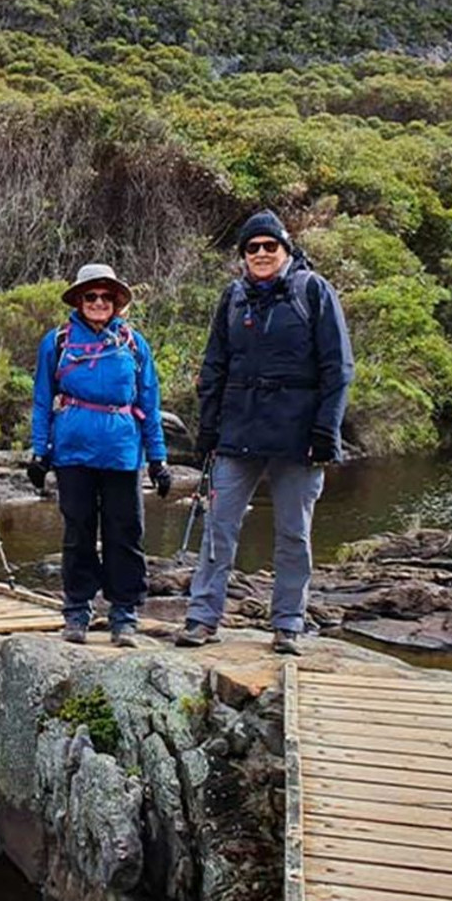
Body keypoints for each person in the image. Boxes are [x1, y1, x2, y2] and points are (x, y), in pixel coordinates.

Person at [179, 210, 353, 655]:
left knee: (294, 533)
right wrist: (207, 431)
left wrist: (325, 433)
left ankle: (288, 624)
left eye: (268, 246)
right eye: (251, 247)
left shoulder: (313, 292)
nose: (260, 253)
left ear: (285, 250)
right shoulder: (232, 298)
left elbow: (338, 369)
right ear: (242, 256)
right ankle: (202, 618)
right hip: (237, 431)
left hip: (297, 437)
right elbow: (214, 367)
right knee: (219, 527)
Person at [27, 263, 171, 648]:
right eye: (90, 296)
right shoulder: (56, 342)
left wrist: (158, 460)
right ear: (78, 299)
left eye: (106, 296)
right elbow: (42, 400)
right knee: (78, 532)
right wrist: (39, 452)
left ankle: (124, 614)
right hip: (72, 452)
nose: (98, 302)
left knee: (124, 533)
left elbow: (149, 402)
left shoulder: (133, 344)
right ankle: (77, 610)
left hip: (123, 452)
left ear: (116, 302)